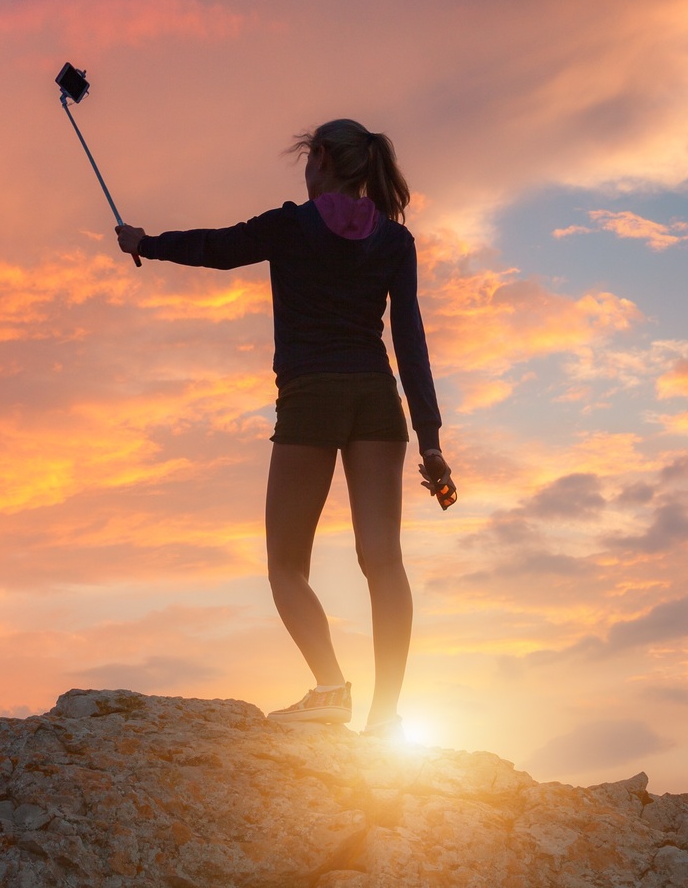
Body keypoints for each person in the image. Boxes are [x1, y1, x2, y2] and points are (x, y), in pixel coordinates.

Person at [114, 119, 453, 738]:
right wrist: (430, 439)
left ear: (322, 158)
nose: (304, 170)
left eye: (308, 159)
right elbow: (411, 343)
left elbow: (216, 247)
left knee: (285, 564)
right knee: (384, 563)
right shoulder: (395, 243)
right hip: (378, 402)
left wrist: (145, 241)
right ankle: (385, 716)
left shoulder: (292, 225)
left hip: (311, 399)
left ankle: (330, 689)